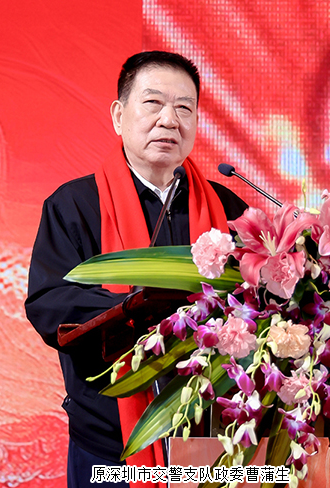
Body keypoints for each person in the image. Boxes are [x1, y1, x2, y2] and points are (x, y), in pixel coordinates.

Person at [24, 51, 247, 487]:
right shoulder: (75, 205)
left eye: (184, 108)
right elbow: (50, 302)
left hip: (214, 439)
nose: (169, 120)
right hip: (109, 442)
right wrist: (138, 310)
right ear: (118, 115)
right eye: (153, 103)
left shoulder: (229, 209)